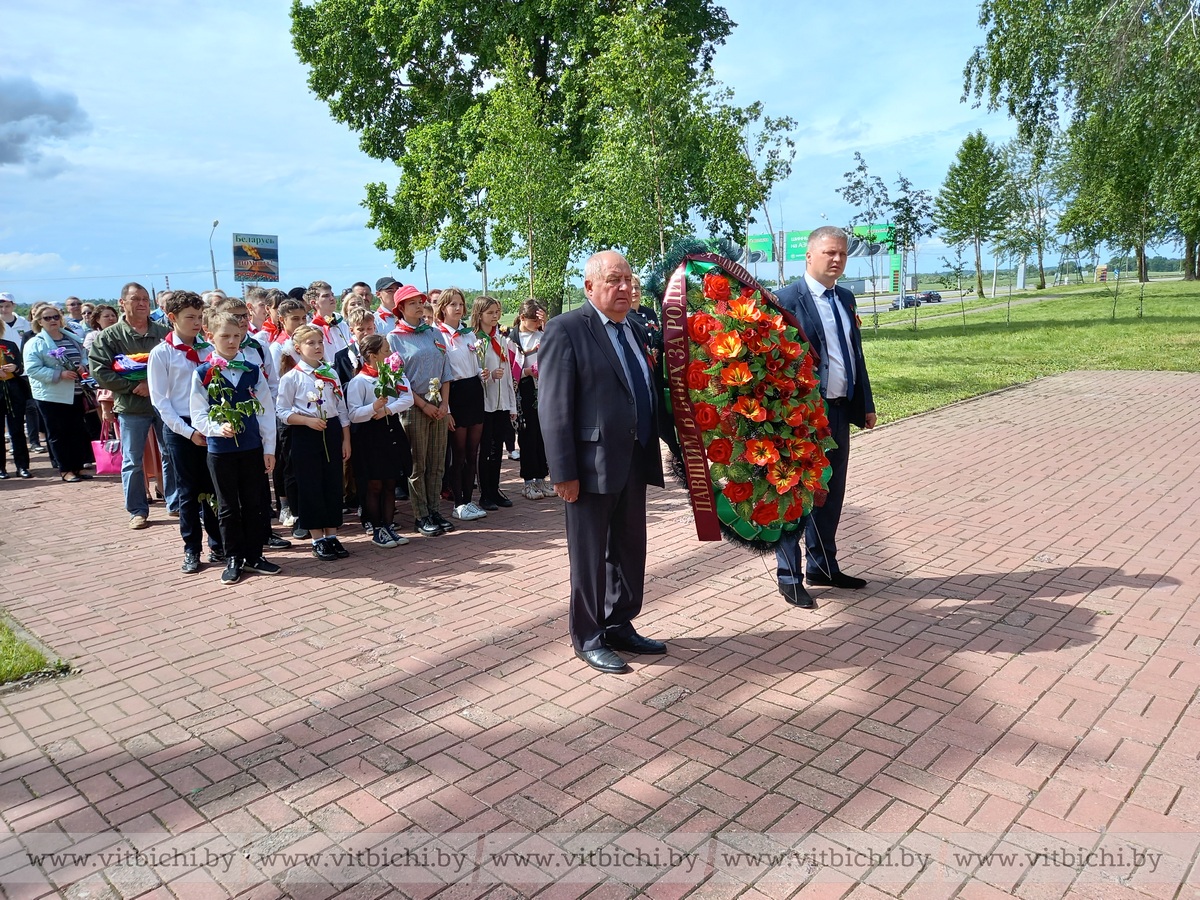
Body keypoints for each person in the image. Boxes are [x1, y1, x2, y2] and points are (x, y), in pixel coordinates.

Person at [539, 250, 666, 675]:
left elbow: (644, 388)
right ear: (589, 287)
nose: (626, 288)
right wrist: (564, 472)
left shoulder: (636, 328)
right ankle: (589, 636)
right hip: (590, 467)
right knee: (590, 556)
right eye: (614, 280)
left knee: (629, 549)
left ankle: (619, 623)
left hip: (634, 458)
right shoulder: (566, 330)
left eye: (629, 279)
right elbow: (554, 407)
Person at [771, 226, 877, 609]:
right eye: (830, 253)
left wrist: (864, 403)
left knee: (830, 493)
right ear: (810, 256)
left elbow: (855, 356)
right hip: (799, 417)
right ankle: (790, 576)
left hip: (836, 411)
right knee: (795, 494)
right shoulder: (785, 301)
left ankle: (823, 565)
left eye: (843, 254)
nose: (837, 260)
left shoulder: (846, 298)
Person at [190, 310, 280, 585]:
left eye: (236, 336)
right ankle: (233, 557)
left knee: (255, 504)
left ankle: (254, 555)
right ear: (210, 337)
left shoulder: (252, 371)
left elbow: (265, 410)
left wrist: (269, 449)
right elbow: (198, 413)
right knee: (228, 507)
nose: (231, 341)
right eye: (224, 336)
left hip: (252, 447)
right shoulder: (203, 372)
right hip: (221, 451)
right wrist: (217, 429)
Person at [147, 291, 224, 573]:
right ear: (172, 319)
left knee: (214, 488)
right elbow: (160, 400)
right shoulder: (162, 353)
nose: (196, 322)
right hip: (180, 428)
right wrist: (188, 431)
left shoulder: (208, 349)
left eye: (199, 316)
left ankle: (218, 544)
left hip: (209, 423)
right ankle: (192, 548)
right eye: (189, 317)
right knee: (189, 492)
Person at [88, 282, 170, 529]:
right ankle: (137, 510)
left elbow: (177, 364)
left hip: (163, 404)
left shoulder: (164, 332)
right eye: (136, 299)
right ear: (122, 302)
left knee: (171, 454)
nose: (142, 303)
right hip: (131, 406)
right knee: (132, 460)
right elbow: (99, 370)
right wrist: (133, 386)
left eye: (146, 299)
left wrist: (151, 382)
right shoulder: (110, 336)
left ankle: (176, 502)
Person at [276, 324, 352, 561]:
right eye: (311, 343)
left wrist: (345, 439)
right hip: (305, 434)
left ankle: (332, 534)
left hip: (330, 431)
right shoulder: (292, 377)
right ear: (298, 348)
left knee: (332, 483)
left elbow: (341, 408)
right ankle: (317, 537)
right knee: (310, 485)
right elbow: (282, 411)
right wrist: (306, 421)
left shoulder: (331, 373)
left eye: (320, 342)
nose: (318, 347)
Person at [387, 285, 452, 537]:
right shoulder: (394, 337)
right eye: (411, 303)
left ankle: (434, 509)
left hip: (439, 404)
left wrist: (444, 404)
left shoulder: (434, 333)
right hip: (413, 405)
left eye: (420, 301)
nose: (418, 306)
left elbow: (446, 370)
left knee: (437, 461)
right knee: (418, 463)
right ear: (401, 308)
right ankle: (421, 514)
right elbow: (398, 379)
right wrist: (423, 404)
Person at [347, 333, 414, 547]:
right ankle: (376, 528)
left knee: (390, 482)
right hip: (369, 435)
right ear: (372, 355)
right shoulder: (359, 381)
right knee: (374, 484)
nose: (390, 354)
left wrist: (387, 409)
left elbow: (408, 398)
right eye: (385, 351)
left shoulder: (394, 375)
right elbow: (354, 414)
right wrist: (373, 408)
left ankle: (388, 525)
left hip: (390, 429)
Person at [23, 304, 93, 483]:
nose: (52, 321)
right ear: (39, 321)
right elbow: (32, 369)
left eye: (55, 317)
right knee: (58, 433)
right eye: (47, 318)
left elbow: (83, 354)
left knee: (76, 430)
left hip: (75, 391)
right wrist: (59, 374)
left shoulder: (72, 337)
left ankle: (78, 467)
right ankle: (66, 469)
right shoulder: (35, 343)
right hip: (51, 395)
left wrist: (83, 366)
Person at [436, 288, 487, 522]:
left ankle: (469, 499)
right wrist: (446, 409)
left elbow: (473, 364)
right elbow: (442, 373)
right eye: (452, 304)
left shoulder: (469, 335)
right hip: (454, 393)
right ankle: (458, 502)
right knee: (458, 453)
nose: (458, 308)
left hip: (473, 391)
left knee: (472, 452)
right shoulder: (439, 336)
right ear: (443, 308)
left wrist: (482, 372)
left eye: (460, 304)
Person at [471, 296, 517, 511]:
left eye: (497, 312)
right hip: (484, 402)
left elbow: (508, 374)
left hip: (501, 403)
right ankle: (485, 492)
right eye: (490, 313)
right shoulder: (475, 340)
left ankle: (495, 488)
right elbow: (473, 373)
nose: (495, 317)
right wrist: (487, 376)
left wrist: (511, 405)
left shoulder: (500, 338)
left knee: (497, 446)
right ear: (479, 315)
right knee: (486, 448)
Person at [509, 300, 550, 499]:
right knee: (527, 435)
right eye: (534, 320)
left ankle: (542, 477)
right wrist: (527, 371)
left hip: (543, 389)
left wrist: (546, 325)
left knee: (543, 435)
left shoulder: (543, 334)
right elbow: (510, 369)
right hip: (524, 390)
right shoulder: (512, 339)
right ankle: (528, 481)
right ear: (523, 318)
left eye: (539, 319)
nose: (536, 323)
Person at [0, 319, 32, 479]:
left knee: (17, 430)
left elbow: (21, 367)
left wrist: (15, 368)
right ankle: (1, 468)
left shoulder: (10, 345)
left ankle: (22, 466)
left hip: (13, 391)